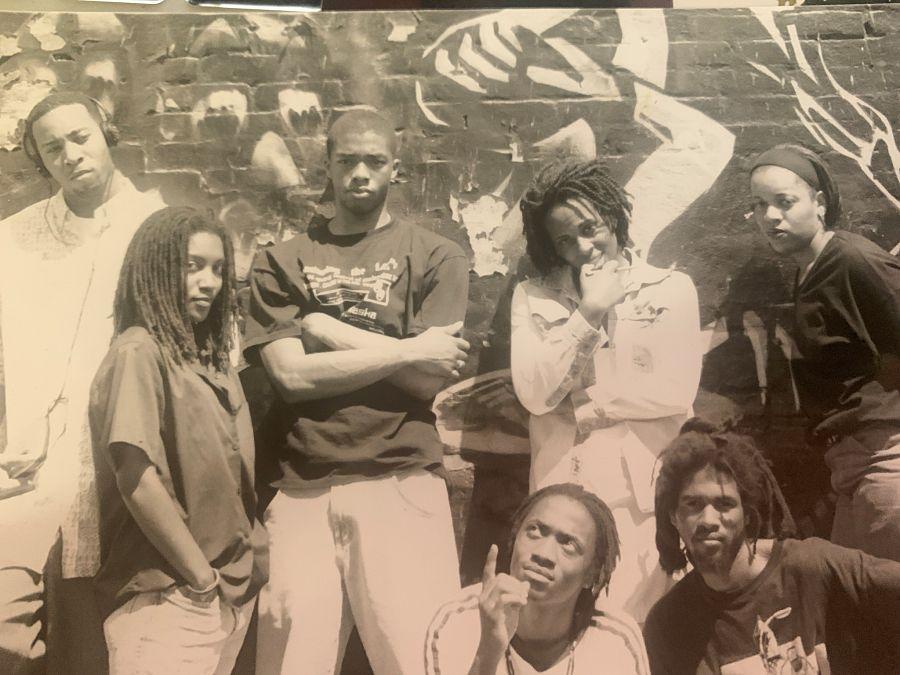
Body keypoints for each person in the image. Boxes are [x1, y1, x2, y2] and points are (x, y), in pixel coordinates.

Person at [243, 108, 471, 674]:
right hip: (300, 489)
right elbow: (292, 379)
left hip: (401, 478)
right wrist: (410, 347)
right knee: (292, 665)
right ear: (327, 165)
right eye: (347, 161)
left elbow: (427, 382)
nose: (361, 173)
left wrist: (328, 331)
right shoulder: (279, 260)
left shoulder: (438, 255)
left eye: (375, 161)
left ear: (396, 168)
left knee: (426, 660)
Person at [0, 91, 164, 672]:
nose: (69, 155)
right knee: (10, 631)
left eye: (79, 137)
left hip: (124, 458)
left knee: (107, 634)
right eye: (52, 149)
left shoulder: (158, 226)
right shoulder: (13, 239)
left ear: (106, 132)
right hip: (28, 464)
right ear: (40, 162)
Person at [510, 159, 703, 622]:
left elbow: (676, 389)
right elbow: (535, 394)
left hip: (648, 489)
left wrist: (589, 404)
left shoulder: (671, 288)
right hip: (567, 486)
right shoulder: (532, 297)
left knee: (649, 621)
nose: (582, 247)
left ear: (612, 218)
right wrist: (589, 312)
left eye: (589, 228)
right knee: (568, 623)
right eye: (564, 241)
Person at [89, 206, 267, 674]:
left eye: (218, 268)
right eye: (192, 265)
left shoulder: (212, 365)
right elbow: (137, 480)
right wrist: (200, 581)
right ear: (154, 268)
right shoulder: (138, 352)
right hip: (169, 598)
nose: (209, 281)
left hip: (224, 597)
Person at [643, 421, 900, 674]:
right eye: (693, 504)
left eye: (724, 504)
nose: (708, 520)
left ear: (747, 515)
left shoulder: (813, 567)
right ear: (674, 516)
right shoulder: (668, 626)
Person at [749, 143, 900, 562]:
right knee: (860, 610)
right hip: (850, 466)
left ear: (819, 202)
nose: (770, 217)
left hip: (885, 461)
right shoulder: (810, 270)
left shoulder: (852, 260)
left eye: (784, 202)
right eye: (759, 205)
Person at [426, 482, 650, 675]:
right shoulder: (456, 621)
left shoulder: (617, 641)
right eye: (534, 531)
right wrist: (488, 652)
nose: (543, 553)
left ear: (592, 575)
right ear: (514, 540)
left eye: (568, 544)